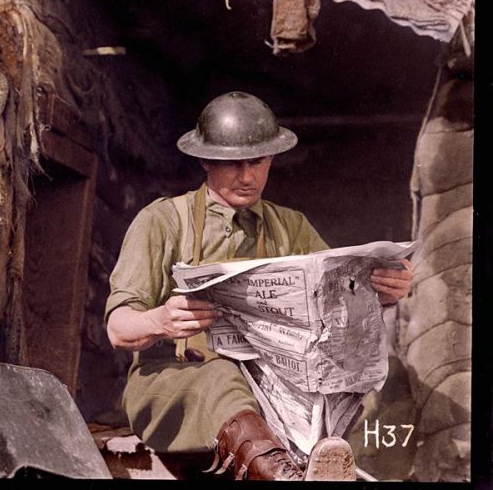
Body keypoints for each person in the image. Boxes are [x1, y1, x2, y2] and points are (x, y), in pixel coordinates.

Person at [104, 91, 413, 481]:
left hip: (276, 387)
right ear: (204, 160)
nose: (247, 177)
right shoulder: (164, 222)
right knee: (221, 377)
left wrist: (380, 291)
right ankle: (286, 478)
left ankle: (352, 471)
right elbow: (118, 328)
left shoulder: (291, 227)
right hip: (176, 386)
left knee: (386, 377)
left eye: (258, 162)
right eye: (232, 165)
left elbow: (335, 304)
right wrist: (160, 320)